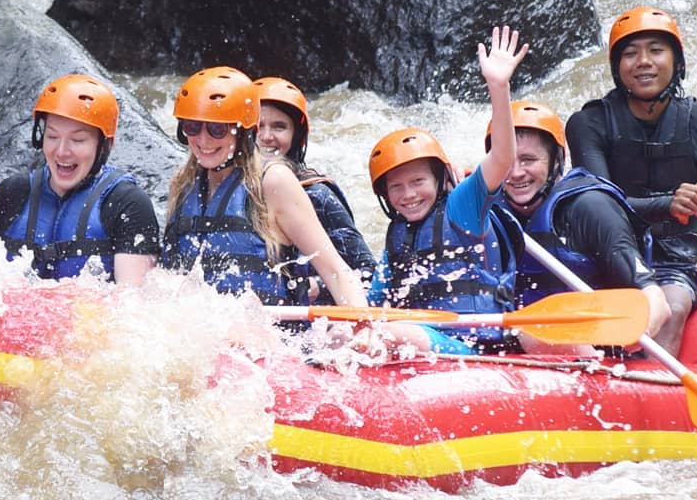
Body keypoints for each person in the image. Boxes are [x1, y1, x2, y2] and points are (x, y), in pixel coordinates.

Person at [566, 6, 697, 356]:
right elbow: (598, 201)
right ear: (617, 69)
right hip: (606, 253)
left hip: (672, 259)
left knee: (671, 308)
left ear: (676, 62)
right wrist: (668, 204)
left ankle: (647, 397)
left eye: (655, 50)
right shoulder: (589, 123)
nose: (643, 61)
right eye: (630, 54)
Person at [366, 26, 528, 355]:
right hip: (425, 341)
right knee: (348, 336)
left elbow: (502, 158)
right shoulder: (397, 237)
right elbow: (371, 306)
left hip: (478, 345)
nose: (408, 194)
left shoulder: (460, 208)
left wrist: (499, 88)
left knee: (398, 335)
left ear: (440, 180)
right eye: (396, 187)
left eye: (417, 182)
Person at [161, 65, 370, 314]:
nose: (203, 140)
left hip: (273, 337)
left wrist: (361, 324)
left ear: (245, 131)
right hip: (203, 336)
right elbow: (165, 278)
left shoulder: (274, 181)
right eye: (192, 126)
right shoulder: (183, 185)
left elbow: (335, 270)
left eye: (217, 129)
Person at [492, 100, 670, 344]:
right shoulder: (490, 211)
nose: (515, 173)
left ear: (556, 161)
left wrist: (642, 330)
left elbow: (652, 296)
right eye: (506, 160)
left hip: (594, 350)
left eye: (528, 160)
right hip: (523, 346)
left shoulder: (591, 208)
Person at [0, 73, 160, 285]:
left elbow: (131, 303)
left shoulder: (127, 204)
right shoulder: (13, 192)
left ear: (103, 146)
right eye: (52, 137)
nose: (62, 152)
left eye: (78, 140)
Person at [254, 76, 377, 303]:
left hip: (309, 323)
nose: (266, 136)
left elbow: (367, 273)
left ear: (296, 137)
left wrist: (318, 286)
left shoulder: (317, 195)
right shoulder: (229, 191)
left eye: (279, 127)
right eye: (257, 126)